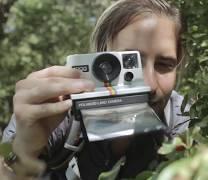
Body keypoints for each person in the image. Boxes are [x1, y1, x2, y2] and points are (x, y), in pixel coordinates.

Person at [2, 0, 190, 179]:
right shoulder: (51, 108)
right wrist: (26, 148)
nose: (149, 85)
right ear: (101, 57)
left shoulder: (183, 119)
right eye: (131, 62)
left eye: (164, 65)